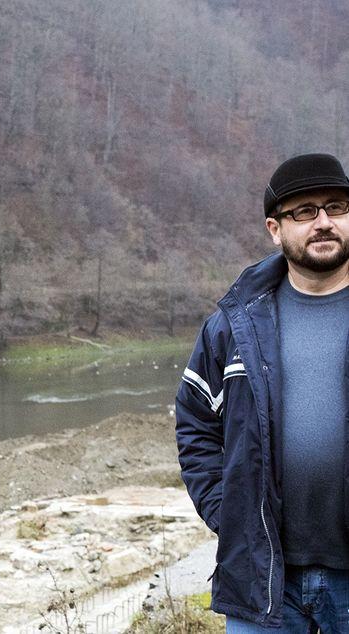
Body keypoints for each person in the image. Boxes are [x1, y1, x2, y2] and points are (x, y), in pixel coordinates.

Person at [175, 153, 349, 633]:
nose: (324, 222)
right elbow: (194, 424)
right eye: (304, 211)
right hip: (262, 575)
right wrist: (228, 514)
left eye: (336, 207)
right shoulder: (233, 326)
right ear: (275, 228)